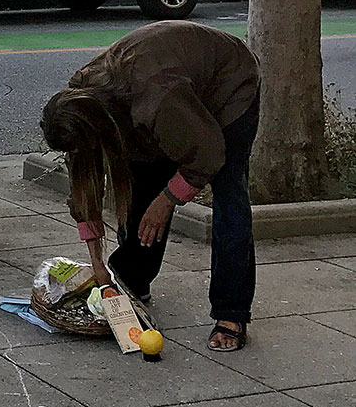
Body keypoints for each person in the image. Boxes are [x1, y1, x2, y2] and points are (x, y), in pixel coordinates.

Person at [40, 21, 261, 351]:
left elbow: (208, 154)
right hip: (168, 94)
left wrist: (168, 198)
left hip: (228, 84)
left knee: (229, 195)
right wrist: (98, 265)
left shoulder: (155, 99)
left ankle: (232, 311)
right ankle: (133, 279)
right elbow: (84, 183)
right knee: (143, 180)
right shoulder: (81, 103)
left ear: (102, 127)